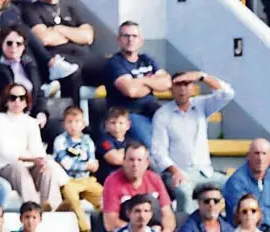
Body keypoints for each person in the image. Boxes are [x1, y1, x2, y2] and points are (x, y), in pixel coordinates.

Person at [150, 71, 234, 215]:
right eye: (178, 85)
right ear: (171, 88)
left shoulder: (201, 105)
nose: (182, 89)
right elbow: (158, 151)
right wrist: (174, 171)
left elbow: (227, 94)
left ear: (193, 87)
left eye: (186, 84)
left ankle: (230, 230)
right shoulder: (162, 114)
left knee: (235, 185)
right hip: (179, 172)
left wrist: (202, 77)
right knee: (184, 192)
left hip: (206, 172)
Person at [0, 82, 66, 210]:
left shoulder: (31, 122)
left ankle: (52, 208)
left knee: (47, 170)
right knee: (18, 168)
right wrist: (32, 159)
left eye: (21, 98)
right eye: (13, 98)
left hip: (30, 165)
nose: (17, 101)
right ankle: (33, 208)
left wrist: (41, 161)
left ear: (26, 102)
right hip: (8, 166)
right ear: (6, 101)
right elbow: (5, 152)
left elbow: (37, 149)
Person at [102, 21, 171, 149]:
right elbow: (131, 91)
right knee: (153, 147)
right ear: (118, 40)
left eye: (134, 36)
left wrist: (141, 81)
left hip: (153, 111)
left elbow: (167, 82)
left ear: (141, 40)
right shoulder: (114, 63)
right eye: (126, 36)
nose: (130, 40)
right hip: (129, 116)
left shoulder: (147, 60)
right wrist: (151, 82)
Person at [101, 141, 176, 232]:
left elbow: (167, 213)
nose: (135, 164)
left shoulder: (155, 179)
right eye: (131, 160)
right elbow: (110, 223)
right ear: (124, 161)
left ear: (147, 162)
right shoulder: (112, 182)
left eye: (139, 160)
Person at [0, 26, 47, 136]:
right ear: (2, 44)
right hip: (6, 119)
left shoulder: (30, 65)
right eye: (9, 43)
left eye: (18, 44)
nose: (14, 47)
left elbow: (39, 93)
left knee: (56, 130)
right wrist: (19, 117)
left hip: (31, 118)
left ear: (24, 46)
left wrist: (41, 113)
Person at [52, 105, 100, 232]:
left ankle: (105, 228)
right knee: (72, 198)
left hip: (87, 180)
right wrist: (86, 166)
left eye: (77, 121)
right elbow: (66, 163)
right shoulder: (60, 140)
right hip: (68, 180)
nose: (73, 125)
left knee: (103, 196)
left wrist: (89, 166)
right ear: (64, 124)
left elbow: (93, 162)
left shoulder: (88, 141)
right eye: (69, 122)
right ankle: (85, 229)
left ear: (83, 124)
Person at [95, 106, 129, 184]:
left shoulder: (131, 140)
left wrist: (121, 152)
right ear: (106, 124)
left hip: (127, 178)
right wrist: (128, 154)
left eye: (121, 123)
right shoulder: (104, 140)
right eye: (113, 123)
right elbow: (116, 159)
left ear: (128, 125)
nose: (117, 127)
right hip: (109, 179)